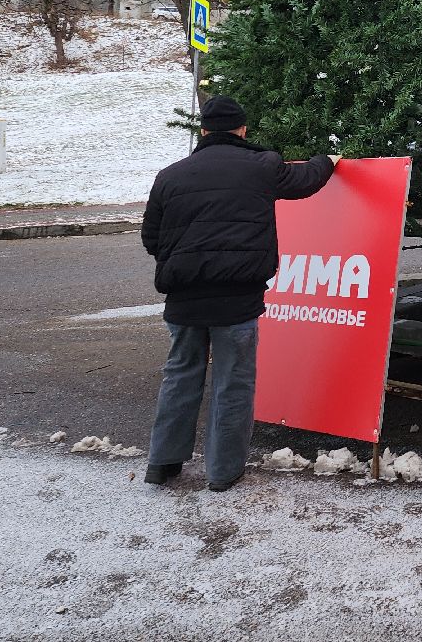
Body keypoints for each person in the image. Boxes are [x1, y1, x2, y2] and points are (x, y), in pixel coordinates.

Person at [140, 95, 337, 492]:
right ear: (243, 130)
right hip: (237, 298)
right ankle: (223, 472)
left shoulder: (171, 175)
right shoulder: (260, 166)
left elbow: (152, 239)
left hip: (184, 298)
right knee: (233, 381)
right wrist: (328, 159)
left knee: (180, 376)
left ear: (204, 131)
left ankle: (162, 463)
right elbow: (306, 181)